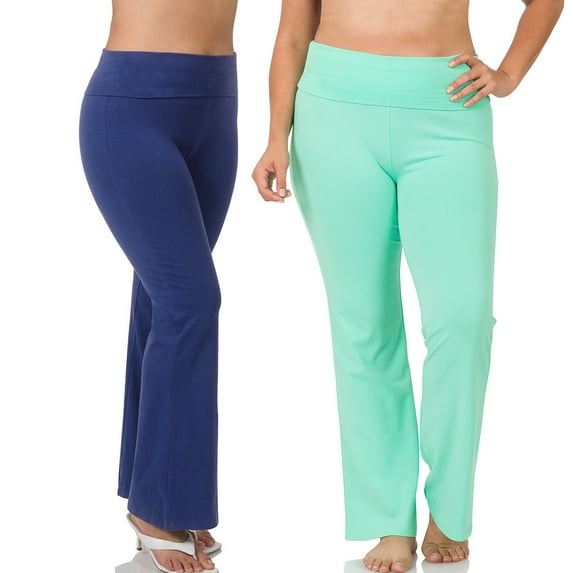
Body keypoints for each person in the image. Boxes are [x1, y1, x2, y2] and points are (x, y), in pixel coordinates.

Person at [253, 0, 563, 571]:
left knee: (463, 319)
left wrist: (508, 75)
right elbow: (293, 34)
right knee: (364, 324)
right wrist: (276, 136)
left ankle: (450, 509)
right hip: (332, 112)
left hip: (448, 110)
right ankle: (389, 520)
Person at [79, 1, 238, 572]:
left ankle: (153, 489)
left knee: (162, 300)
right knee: (189, 300)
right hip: (132, 104)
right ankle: (159, 509)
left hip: (216, 103)